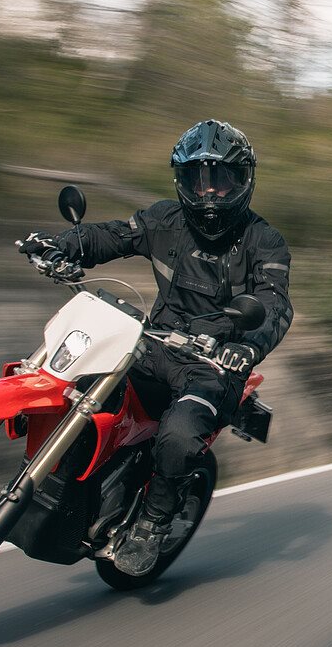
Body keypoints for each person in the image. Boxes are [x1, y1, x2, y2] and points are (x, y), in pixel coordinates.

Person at [20, 119, 293, 574]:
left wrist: (247, 348)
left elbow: (274, 303)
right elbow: (112, 235)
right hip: (151, 345)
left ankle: (152, 522)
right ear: (181, 181)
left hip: (214, 366)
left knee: (180, 434)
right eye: (197, 179)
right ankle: (70, 482)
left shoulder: (265, 241)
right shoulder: (165, 219)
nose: (209, 192)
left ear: (243, 180)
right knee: (77, 377)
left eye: (221, 180)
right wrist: (61, 244)